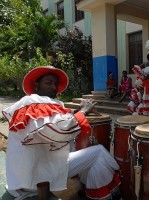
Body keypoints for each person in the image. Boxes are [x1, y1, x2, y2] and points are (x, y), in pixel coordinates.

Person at [2, 66, 120, 200]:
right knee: (98, 152)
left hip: (31, 171)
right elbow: (56, 129)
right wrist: (83, 112)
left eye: (55, 84)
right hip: (36, 179)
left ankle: (88, 191)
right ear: (36, 85)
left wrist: (78, 112)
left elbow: (52, 122)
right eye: (48, 83)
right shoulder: (32, 102)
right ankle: (105, 193)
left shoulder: (34, 103)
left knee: (87, 154)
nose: (53, 87)